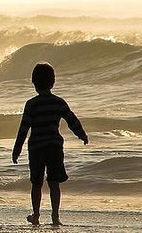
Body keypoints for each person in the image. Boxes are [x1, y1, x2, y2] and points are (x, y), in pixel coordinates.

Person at [12, 62, 88, 226]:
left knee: (36, 183)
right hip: (54, 146)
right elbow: (71, 120)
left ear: (33, 82)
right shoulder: (59, 102)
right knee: (54, 183)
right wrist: (82, 135)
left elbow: (23, 128)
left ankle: (36, 216)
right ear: (53, 82)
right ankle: (55, 216)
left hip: (36, 148)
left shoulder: (31, 104)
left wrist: (16, 149)